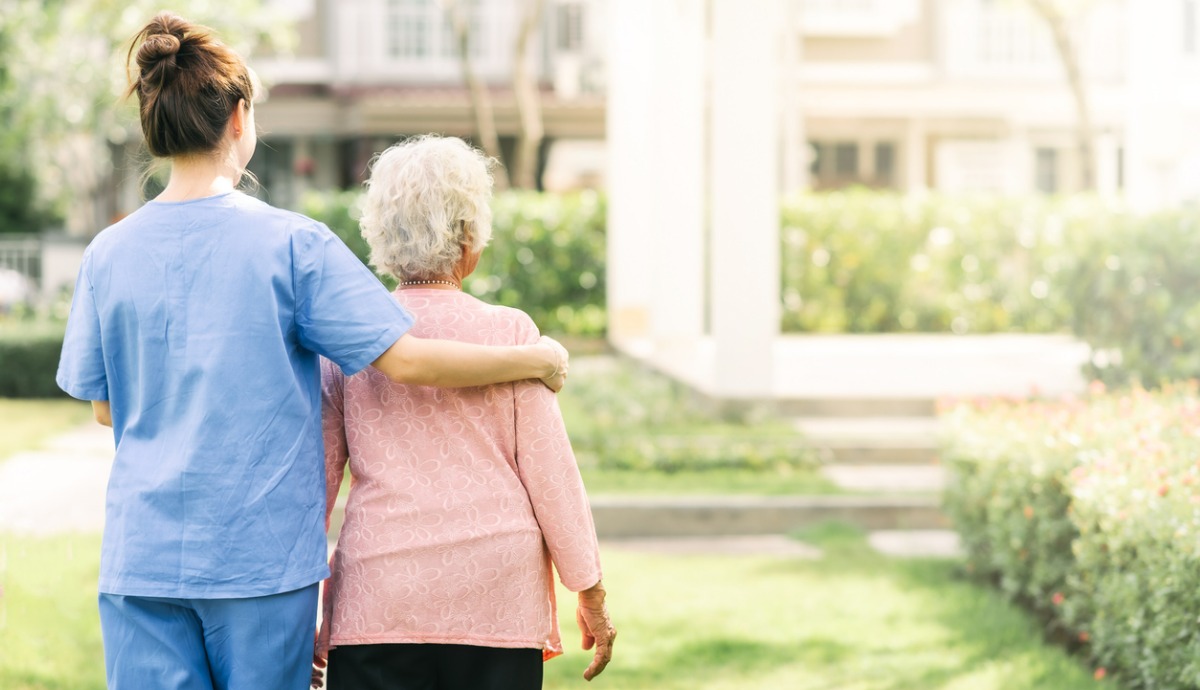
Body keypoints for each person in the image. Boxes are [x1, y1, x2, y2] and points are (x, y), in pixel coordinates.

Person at [54, 14, 568, 690]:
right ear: (240, 118)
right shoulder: (293, 246)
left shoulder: (108, 253)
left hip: (142, 559)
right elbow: (408, 359)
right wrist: (532, 360)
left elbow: (103, 407)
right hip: (260, 565)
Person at [315, 135, 615, 690]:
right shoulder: (511, 334)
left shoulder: (350, 342)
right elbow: (552, 476)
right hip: (496, 596)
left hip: (381, 594)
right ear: (469, 237)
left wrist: (306, 613)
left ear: (381, 235)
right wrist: (589, 590)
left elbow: (317, 486)